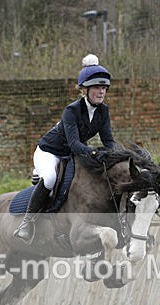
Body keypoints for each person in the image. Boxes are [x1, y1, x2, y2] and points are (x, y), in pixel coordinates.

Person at [14, 54, 117, 244]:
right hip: (49, 152)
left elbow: (108, 140)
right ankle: (27, 223)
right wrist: (94, 153)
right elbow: (74, 143)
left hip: (69, 155)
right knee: (50, 178)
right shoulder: (72, 110)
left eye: (104, 88)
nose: (101, 92)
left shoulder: (104, 111)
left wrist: (119, 156)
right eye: (96, 87)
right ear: (85, 90)